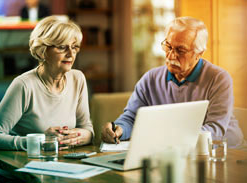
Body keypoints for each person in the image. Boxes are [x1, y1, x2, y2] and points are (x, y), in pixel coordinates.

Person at [102, 16, 245, 149]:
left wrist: (168, 139)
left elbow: (215, 130)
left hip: (225, 152)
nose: (171, 55)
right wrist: (118, 129)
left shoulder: (218, 78)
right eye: (168, 46)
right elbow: (132, 118)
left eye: (180, 50)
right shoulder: (150, 79)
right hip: (172, 151)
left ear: (199, 53)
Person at [0, 16, 94, 150]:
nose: (71, 54)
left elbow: (87, 129)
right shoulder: (24, 85)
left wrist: (78, 136)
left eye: (74, 47)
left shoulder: (78, 79)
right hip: (24, 164)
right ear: (42, 51)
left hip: (63, 163)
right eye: (61, 47)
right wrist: (40, 141)